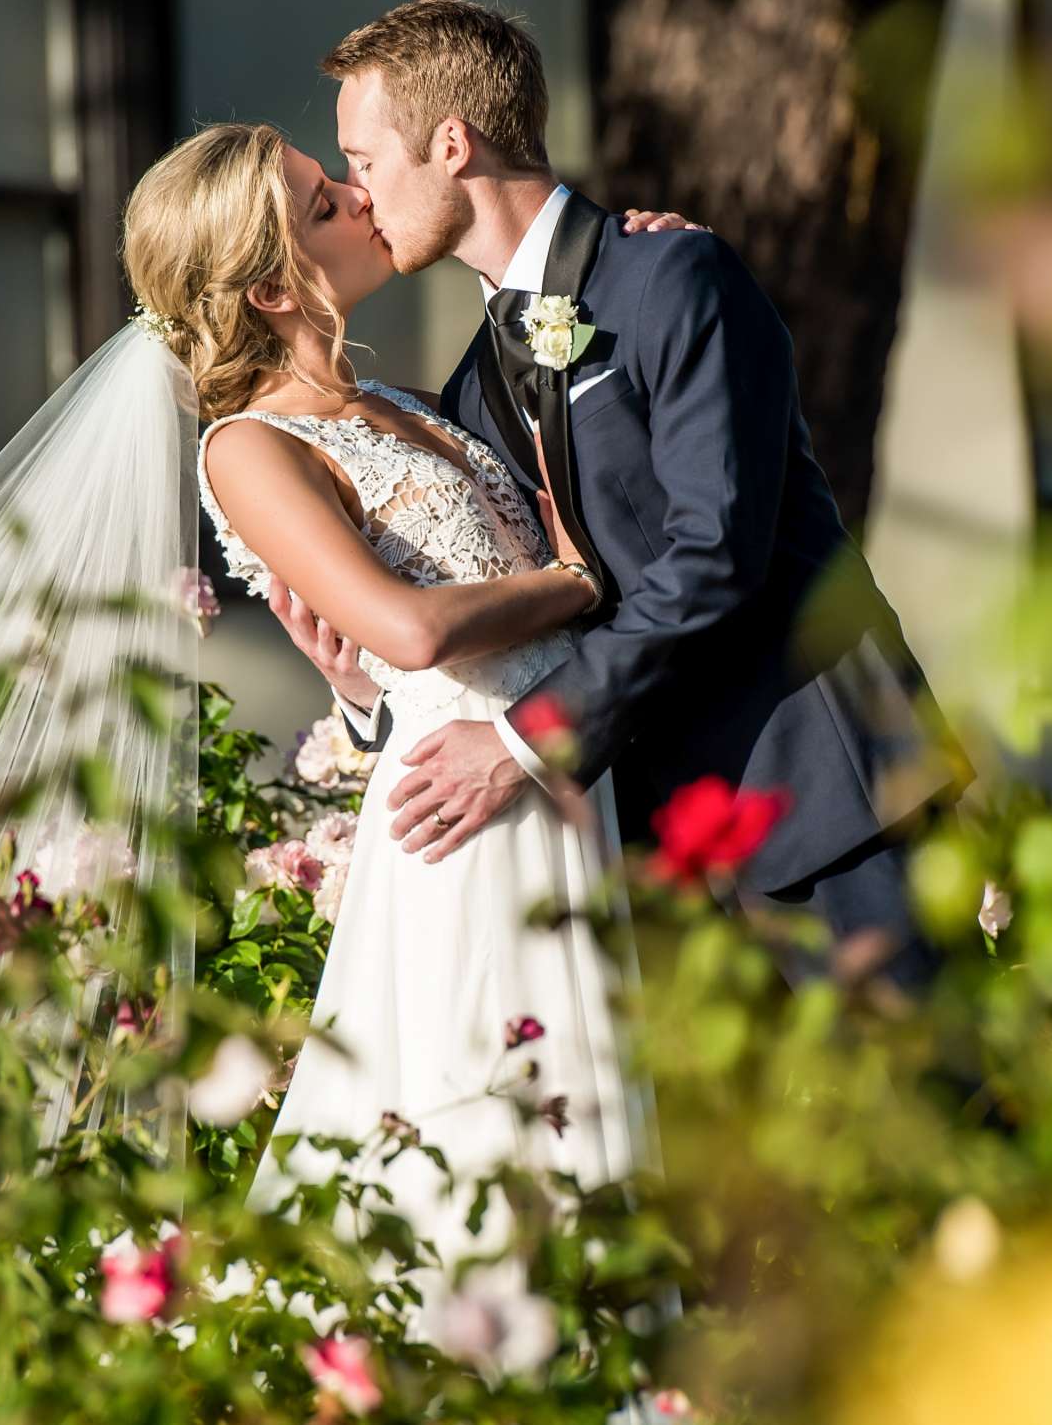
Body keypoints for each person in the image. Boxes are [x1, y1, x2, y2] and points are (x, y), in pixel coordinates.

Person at [276, 0, 972, 983]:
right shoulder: (474, 385)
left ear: (450, 144)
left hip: (823, 789)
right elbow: (534, 607)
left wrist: (523, 745)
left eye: (364, 161)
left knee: (941, 1119)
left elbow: (714, 556)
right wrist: (362, 692)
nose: (358, 194)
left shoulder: (673, 276)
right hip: (652, 851)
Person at [133, 120, 693, 1342]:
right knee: (493, 1109)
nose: (356, 193)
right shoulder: (249, 447)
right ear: (275, 283)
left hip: (550, 771)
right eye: (322, 196)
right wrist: (579, 580)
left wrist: (639, 259)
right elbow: (411, 627)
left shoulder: (403, 401)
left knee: (589, 1108)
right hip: (470, 809)